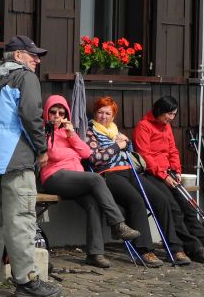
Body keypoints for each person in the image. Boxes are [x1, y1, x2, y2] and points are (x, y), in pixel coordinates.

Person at [0, 36, 62, 297]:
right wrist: (41, 150)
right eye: (33, 55)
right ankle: (26, 281)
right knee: (21, 219)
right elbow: (31, 114)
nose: (37, 60)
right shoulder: (25, 78)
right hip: (15, 158)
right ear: (18, 56)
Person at [86, 96, 191, 268]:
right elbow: (94, 158)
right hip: (109, 174)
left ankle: (175, 248)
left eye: (108, 113)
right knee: (136, 201)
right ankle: (144, 250)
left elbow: (131, 151)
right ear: (95, 113)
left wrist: (126, 144)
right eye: (100, 112)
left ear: (113, 117)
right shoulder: (89, 132)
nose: (103, 116)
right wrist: (117, 147)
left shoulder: (115, 131)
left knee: (161, 200)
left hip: (130, 171)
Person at [38, 95, 141, 268]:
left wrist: (71, 135)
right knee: (95, 178)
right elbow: (54, 154)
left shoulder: (68, 132)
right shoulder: (42, 131)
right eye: (53, 112)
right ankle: (117, 224)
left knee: (93, 203)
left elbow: (86, 153)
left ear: (66, 115)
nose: (57, 116)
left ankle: (95, 254)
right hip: (54, 177)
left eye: (61, 113)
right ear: (47, 113)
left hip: (76, 180)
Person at [133, 95, 204, 261]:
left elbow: (173, 150)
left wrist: (176, 170)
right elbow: (144, 155)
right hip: (152, 173)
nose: (171, 118)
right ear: (159, 111)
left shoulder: (166, 127)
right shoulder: (144, 126)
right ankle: (193, 247)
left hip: (169, 172)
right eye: (169, 114)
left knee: (188, 207)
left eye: (174, 114)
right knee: (174, 208)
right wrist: (163, 175)